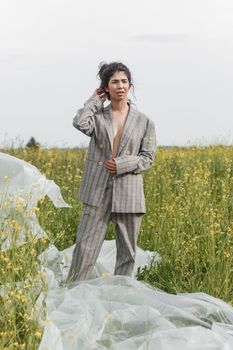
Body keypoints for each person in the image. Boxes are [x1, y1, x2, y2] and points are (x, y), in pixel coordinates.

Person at [67, 62, 156, 282]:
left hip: (129, 190)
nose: (120, 86)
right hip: (97, 189)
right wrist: (95, 100)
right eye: (114, 81)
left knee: (127, 253)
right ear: (106, 87)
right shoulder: (98, 117)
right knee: (85, 247)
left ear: (130, 85)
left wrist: (122, 164)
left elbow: (148, 158)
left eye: (124, 81)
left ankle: (122, 295)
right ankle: (74, 291)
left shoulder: (145, 122)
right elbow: (80, 122)